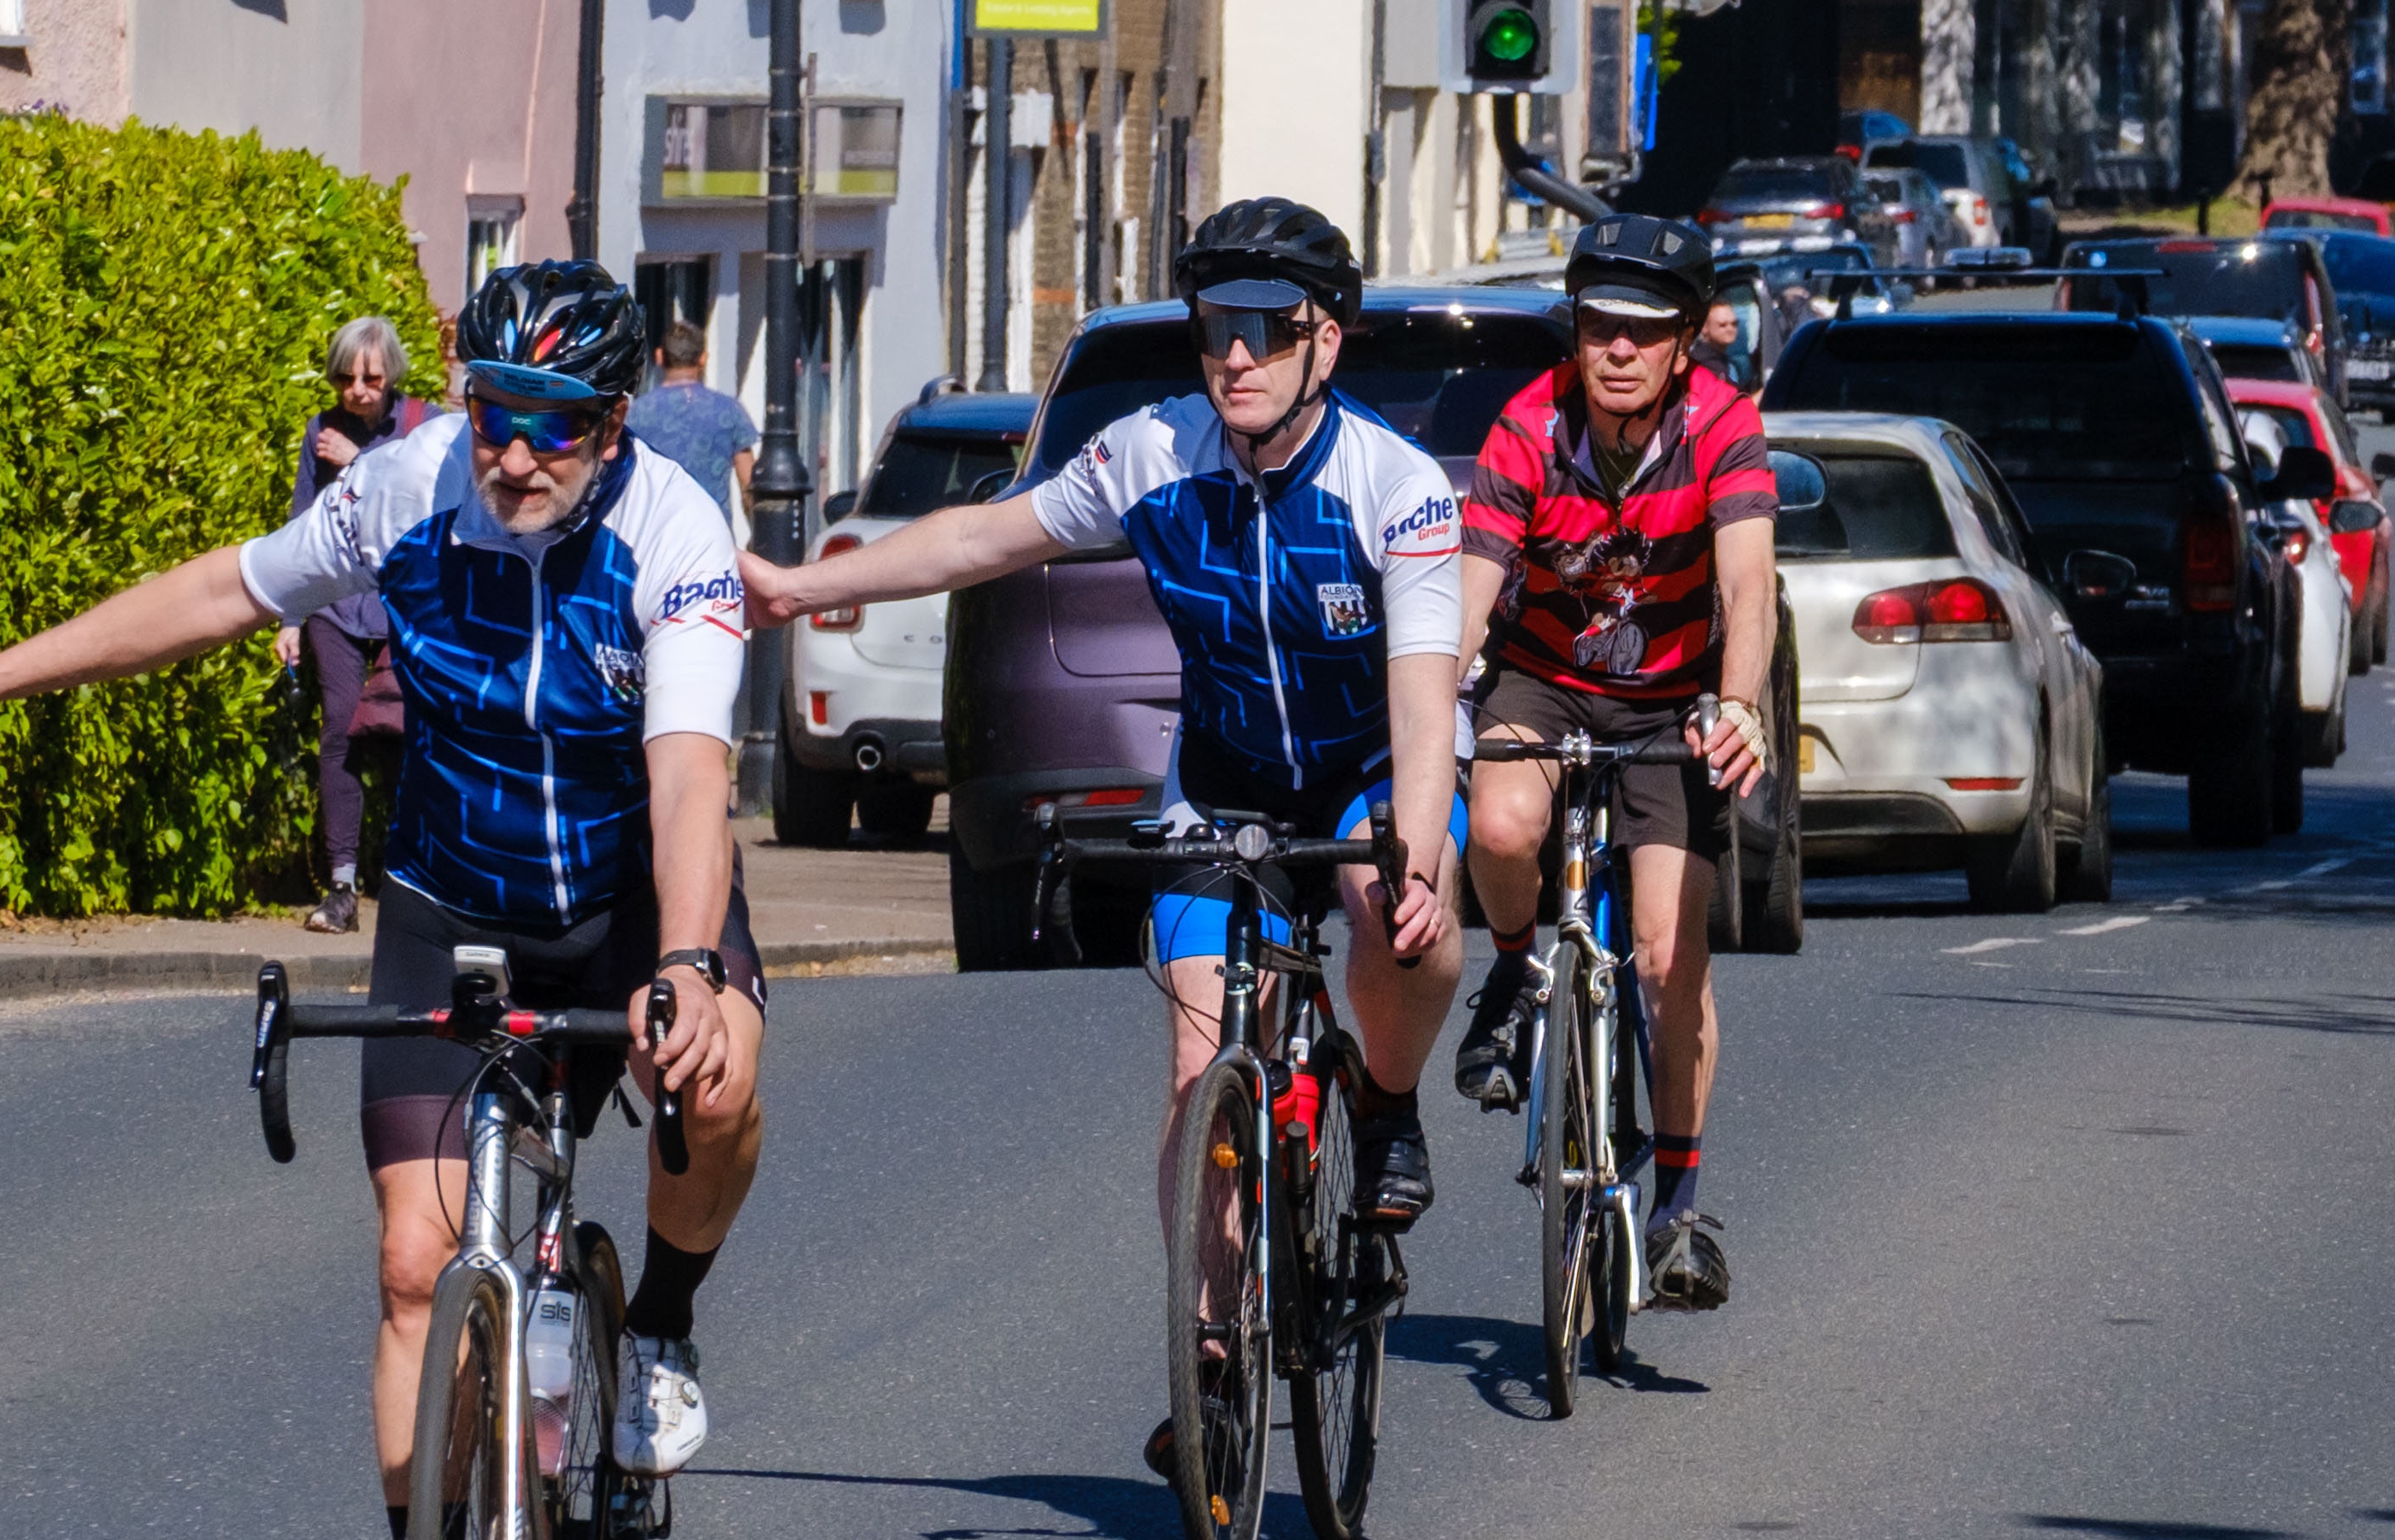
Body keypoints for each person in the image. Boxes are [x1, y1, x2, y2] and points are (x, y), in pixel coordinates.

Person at [0, 262, 770, 1540]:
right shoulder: (404, 487)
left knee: (717, 1092)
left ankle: (657, 1325)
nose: (512, 457)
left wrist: (693, 964)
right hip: (453, 900)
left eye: (551, 429)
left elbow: (687, 770)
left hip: (629, 904)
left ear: (613, 422)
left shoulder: (675, 532)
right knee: (414, 1265)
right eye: (490, 418)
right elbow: (225, 589)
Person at [735, 198, 1465, 1451]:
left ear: (1325, 344)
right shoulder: (1154, 452)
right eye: (1213, 329)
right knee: (1198, 1073)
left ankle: (1387, 1106)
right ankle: (1213, 1350)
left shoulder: (1392, 487)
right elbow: (984, 536)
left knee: (1396, 923)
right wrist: (808, 585)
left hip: (1363, 772)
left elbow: (1424, 692)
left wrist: (1420, 852)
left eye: (1267, 331)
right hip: (1223, 781)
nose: (1234, 356)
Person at [1451, 215, 1778, 1312]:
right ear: (1575, 334)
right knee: (1496, 824)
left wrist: (1736, 702)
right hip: (1544, 677)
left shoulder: (1725, 426)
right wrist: (1442, 693)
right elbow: (1474, 582)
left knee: (1660, 958)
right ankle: (1509, 971)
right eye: (1598, 328)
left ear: (1685, 343)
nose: (1619, 352)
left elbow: (1747, 586)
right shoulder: (1527, 426)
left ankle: (1681, 1206)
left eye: (1644, 333)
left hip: (1673, 700)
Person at [277, 316, 431, 935]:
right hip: (338, 607)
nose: (358, 390)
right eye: (345, 378)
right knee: (338, 731)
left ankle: (413, 880)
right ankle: (341, 885)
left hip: (404, 606)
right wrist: (290, 615)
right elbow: (301, 527)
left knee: (416, 739)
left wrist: (359, 460)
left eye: (370, 377)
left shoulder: (425, 425)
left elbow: (429, 501)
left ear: (392, 372)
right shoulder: (321, 430)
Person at [628, 316, 761, 527]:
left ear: (660, 357)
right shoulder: (729, 410)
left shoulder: (636, 414)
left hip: (655, 534)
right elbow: (749, 485)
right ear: (703, 359)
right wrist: (757, 534)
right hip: (713, 535)